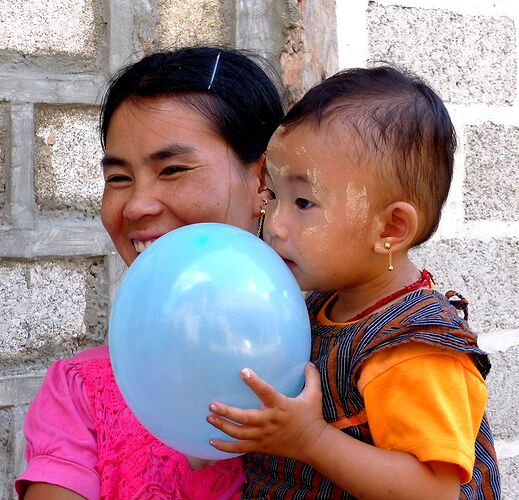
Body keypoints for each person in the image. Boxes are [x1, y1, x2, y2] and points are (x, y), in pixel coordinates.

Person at [207, 66, 501, 498]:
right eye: (273, 196)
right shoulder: (316, 306)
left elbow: (433, 491)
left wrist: (311, 440)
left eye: (304, 202)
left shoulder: (412, 349)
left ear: (390, 229)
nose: (275, 224)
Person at [15, 46, 285, 499]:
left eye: (173, 169)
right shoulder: (81, 393)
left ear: (262, 181)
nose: (137, 205)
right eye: (119, 178)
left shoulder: (353, 364)